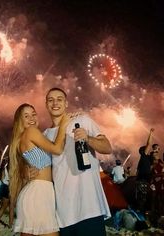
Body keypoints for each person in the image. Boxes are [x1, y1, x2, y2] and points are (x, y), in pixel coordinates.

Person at [44, 87, 112, 236]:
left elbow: (107, 148)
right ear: (46, 104)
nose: (55, 103)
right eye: (51, 100)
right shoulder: (44, 135)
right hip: (63, 213)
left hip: (89, 206)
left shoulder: (82, 120)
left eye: (59, 99)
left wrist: (87, 138)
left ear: (66, 103)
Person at [9, 103, 71, 236]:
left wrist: (24, 172)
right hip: (39, 195)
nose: (31, 118)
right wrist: (64, 123)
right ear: (20, 121)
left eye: (33, 114)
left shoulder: (25, 137)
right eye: (26, 116)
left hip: (39, 193)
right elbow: (57, 149)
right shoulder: (31, 132)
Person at [135, 128, 154, 215]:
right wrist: (151, 133)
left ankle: (142, 212)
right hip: (143, 181)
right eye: (146, 149)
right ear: (143, 151)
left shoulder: (145, 159)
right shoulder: (144, 155)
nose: (148, 149)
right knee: (143, 197)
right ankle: (141, 214)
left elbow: (137, 171)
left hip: (143, 180)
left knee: (143, 197)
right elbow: (149, 143)